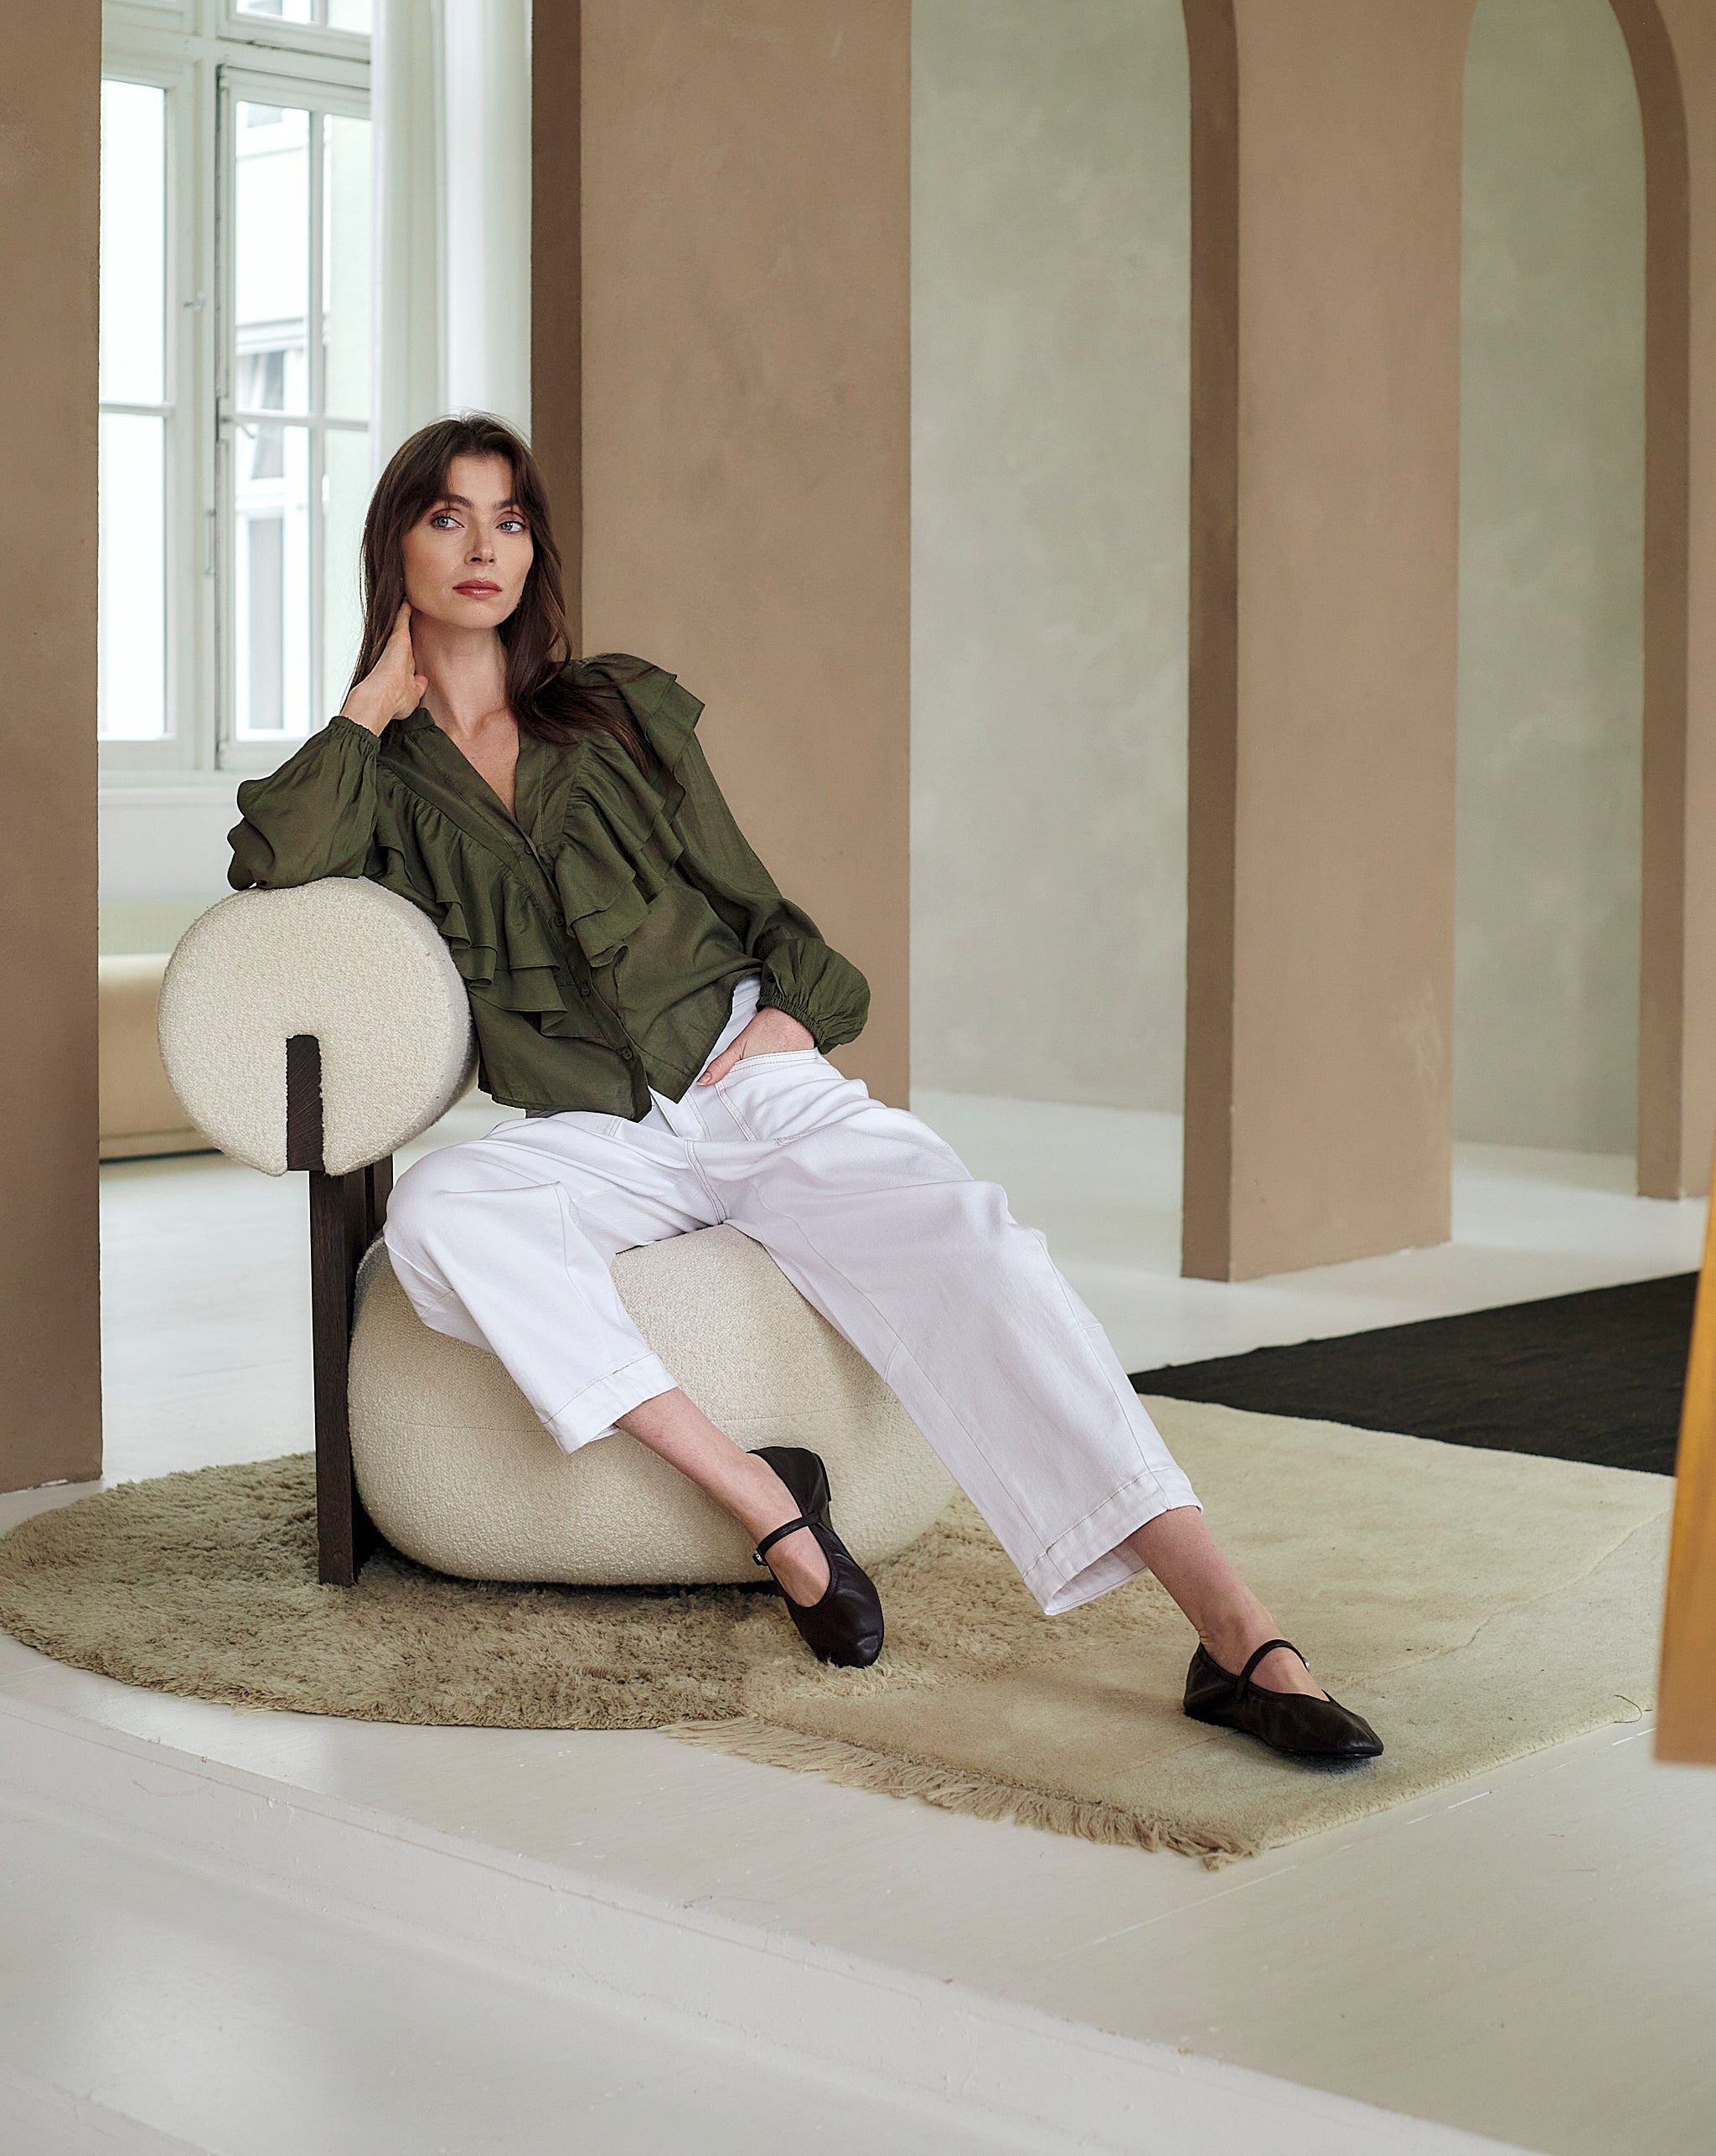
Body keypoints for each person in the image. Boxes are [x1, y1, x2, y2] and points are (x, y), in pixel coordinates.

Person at [229, 413, 1381, 1765]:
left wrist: (791, 1012)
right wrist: (371, 703)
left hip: (748, 1080)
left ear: (535, 550)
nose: (485, 545)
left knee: (975, 1244)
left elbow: (749, 887)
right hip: (591, 1131)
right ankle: (766, 1502)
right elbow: (271, 861)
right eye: (448, 516)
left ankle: (1235, 1631)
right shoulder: (378, 774)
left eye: (511, 517)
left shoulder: (613, 709)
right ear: (400, 544)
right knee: (437, 1217)